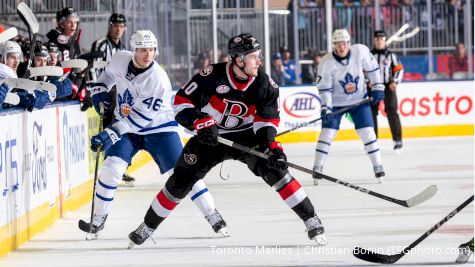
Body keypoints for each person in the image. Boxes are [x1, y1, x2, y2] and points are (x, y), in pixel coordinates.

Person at [127, 33, 328, 248]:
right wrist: (200, 122)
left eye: (259, 56)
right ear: (238, 60)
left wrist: (272, 147)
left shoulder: (264, 83)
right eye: (253, 57)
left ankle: (311, 219)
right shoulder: (210, 75)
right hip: (210, 137)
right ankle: (147, 226)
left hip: (247, 136)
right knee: (180, 181)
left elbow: (266, 121)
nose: (259, 61)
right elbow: (180, 103)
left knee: (278, 172)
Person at [81, 30, 228, 239]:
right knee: (111, 169)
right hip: (127, 126)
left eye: (151, 50)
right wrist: (100, 91)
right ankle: (98, 219)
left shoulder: (158, 79)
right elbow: (107, 76)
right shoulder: (119, 59)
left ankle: (211, 213)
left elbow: (139, 119)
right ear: (133, 50)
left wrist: (110, 133)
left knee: (184, 174)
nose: (147, 55)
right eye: (141, 50)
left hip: (159, 129)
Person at [312, 29, 386, 185]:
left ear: (349, 43)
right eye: (338, 43)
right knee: (327, 134)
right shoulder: (326, 61)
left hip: (359, 100)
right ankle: (317, 167)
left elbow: (373, 70)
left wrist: (378, 87)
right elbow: (325, 88)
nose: (341, 47)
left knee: (368, 133)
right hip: (336, 103)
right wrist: (326, 107)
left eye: (344, 43)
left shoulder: (360, 51)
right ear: (334, 45)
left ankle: (378, 166)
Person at [90, 13, 133, 186]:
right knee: (108, 129)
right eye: (115, 25)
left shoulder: (123, 49)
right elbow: (93, 69)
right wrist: (96, 91)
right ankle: (108, 169)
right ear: (109, 26)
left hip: (120, 94)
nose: (118, 29)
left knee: (120, 128)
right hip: (106, 93)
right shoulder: (101, 44)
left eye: (121, 26)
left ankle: (117, 167)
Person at [370, 30, 404, 154]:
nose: (379, 41)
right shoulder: (368, 55)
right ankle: (372, 141)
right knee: (371, 113)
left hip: (388, 87)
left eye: (381, 39)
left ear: (385, 40)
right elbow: (362, 70)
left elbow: (399, 69)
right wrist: (367, 80)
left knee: (392, 112)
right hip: (372, 87)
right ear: (374, 40)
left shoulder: (391, 55)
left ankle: (397, 140)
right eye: (377, 39)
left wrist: (395, 81)